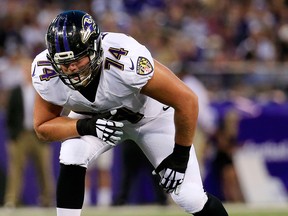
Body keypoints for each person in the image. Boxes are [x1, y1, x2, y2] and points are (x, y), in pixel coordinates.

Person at [31, 10, 229, 216]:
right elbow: (43, 127)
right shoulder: (46, 71)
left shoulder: (124, 57)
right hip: (99, 122)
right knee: (73, 150)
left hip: (151, 119)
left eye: (78, 60)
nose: (71, 69)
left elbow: (187, 100)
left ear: (95, 49)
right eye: (63, 63)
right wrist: (86, 126)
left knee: (189, 196)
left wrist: (180, 155)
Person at [4, 56, 54, 207]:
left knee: (44, 169)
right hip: (21, 135)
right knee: (16, 169)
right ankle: (11, 200)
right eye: (24, 69)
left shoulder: (42, 89)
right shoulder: (15, 91)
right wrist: (12, 137)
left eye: (29, 69)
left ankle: (47, 200)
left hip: (39, 134)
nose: (26, 72)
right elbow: (10, 115)